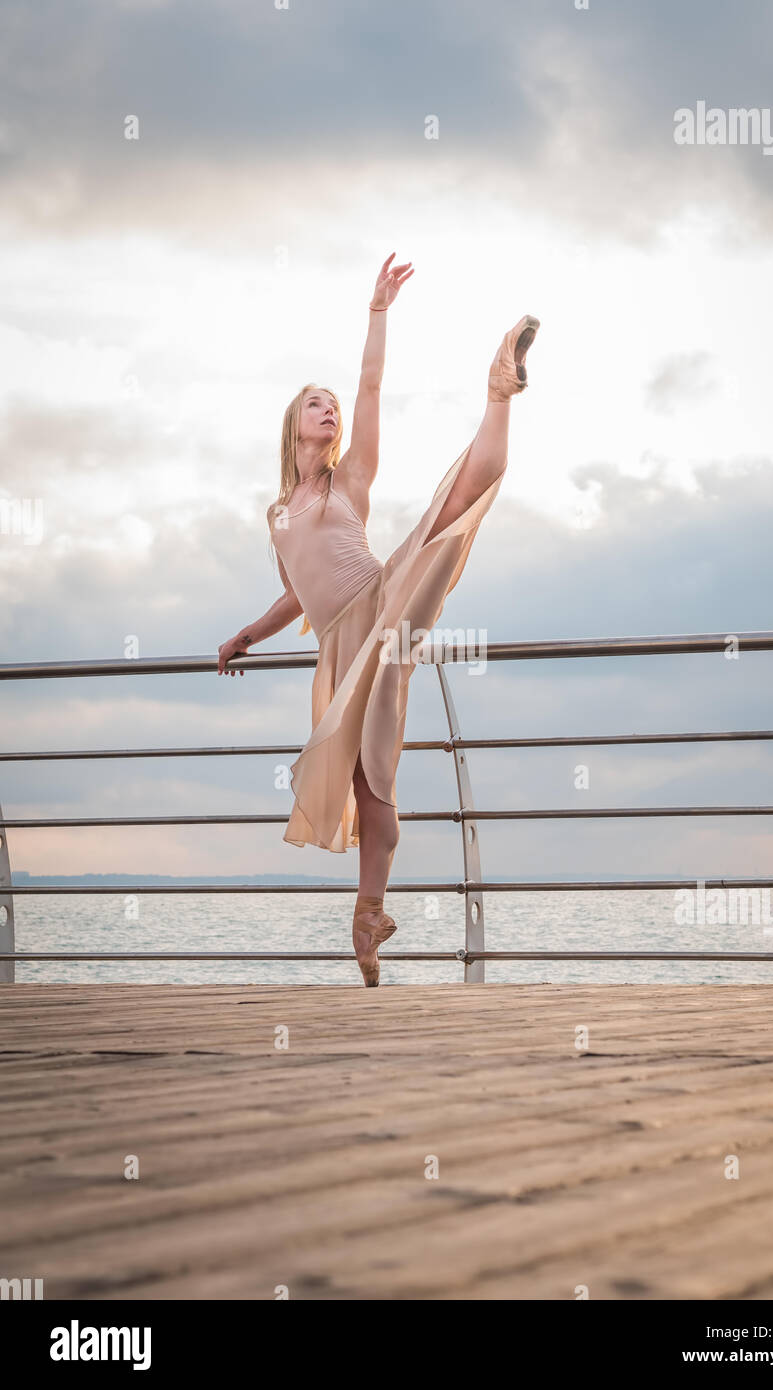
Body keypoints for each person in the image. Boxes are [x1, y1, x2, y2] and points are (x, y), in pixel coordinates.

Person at [218, 254, 539, 986]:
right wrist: (245, 634)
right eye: (315, 404)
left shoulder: (349, 478)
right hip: (337, 653)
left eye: (331, 405)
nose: (329, 409)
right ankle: (368, 917)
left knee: (443, 513)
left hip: (380, 606)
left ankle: (498, 392)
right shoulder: (277, 515)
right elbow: (296, 597)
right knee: (368, 785)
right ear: (293, 426)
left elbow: (369, 385)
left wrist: (377, 313)